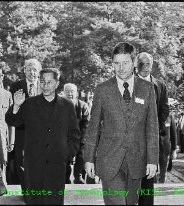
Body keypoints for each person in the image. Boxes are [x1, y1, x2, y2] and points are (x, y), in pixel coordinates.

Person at [83, 42, 159, 205]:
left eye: (125, 63)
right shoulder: (103, 90)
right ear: (112, 64)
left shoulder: (147, 89)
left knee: (130, 203)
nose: (121, 67)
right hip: (109, 160)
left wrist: (153, 160)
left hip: (137, 160)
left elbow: (152, 127)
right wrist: (89, 158)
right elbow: (93, 127)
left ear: (133, 63)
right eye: (116, 63)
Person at [5, 68, 81, 204]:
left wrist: (66, 154)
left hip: (57, 164)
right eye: (42, 82)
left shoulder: (67, 106)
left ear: (57, 83)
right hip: (33, 164)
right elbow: (13, 121)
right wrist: (16, 105)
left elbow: (74, 134)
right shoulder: (29, 104)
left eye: (49, 82)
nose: (45, 86)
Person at [136, 52, 169, 205]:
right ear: (136, 65)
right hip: (133, 139)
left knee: (149, 176)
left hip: (152, 139)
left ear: (152, 65)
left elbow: (164, 109)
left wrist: (157, 128)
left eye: (148, 63)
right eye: (141, 63)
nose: (145, 67)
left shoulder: (160, 85)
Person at [8, 58, 42, 193]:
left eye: (35, 69)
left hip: (41, 133)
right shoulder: (16, 86)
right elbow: (12, 110)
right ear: (24, 70)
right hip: (22, 131)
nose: (32, 72)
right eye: (29, 69)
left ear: (39, 71)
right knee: (21, 163)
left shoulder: (45, 85)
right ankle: (26, 191)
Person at [63, 83, 92, 184]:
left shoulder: (83, 106)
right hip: (63, 138)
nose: (70, 94)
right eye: (67, 91)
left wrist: (81, 140)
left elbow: (86, 125)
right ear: (63, 93)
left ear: (76, 93)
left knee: (83, 151)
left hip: (79, 137)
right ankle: (65, 177)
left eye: (72, 91)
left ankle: (78, 176)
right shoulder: (58, 105)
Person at [158, 112, 177, 183]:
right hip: (151, 149)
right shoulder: (149, 113)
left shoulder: (170, 116)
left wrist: (174, 150)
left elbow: (173, 134)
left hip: (165, 149)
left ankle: (161, 185)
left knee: (162, 173)